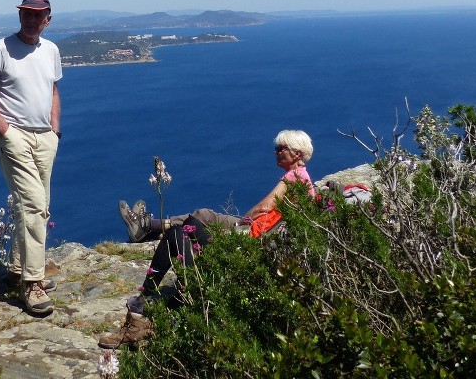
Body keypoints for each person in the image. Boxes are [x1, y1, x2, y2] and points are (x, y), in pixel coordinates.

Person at [99, 130, 316, 348]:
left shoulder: (294, 178)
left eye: (281, 149)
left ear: (297, 154)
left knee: (186, 227)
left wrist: (243, 222)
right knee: (191, 223)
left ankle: (142, 313)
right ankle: (145, 306)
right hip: (252, 243)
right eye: (276, 148)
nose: (276, 152)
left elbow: (266, 206)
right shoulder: (305, 181)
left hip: (244, 248)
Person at [0, 0, 62, 316]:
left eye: (37, 15)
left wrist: (55, 130)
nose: (31, 19)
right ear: (20, 16)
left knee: (39, 206)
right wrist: (5, 131)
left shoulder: (51, 50)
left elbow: (53, 90)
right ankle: (32, 283)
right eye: (26, 13)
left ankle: (18, 267)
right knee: (33, 204)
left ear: (47, 20)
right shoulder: (0, 49)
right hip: (16, 138)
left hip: (45, 138)